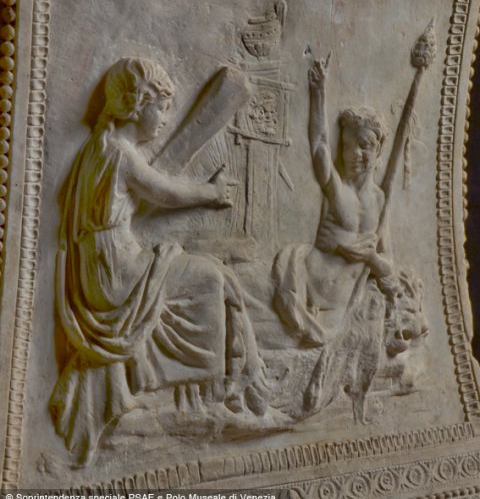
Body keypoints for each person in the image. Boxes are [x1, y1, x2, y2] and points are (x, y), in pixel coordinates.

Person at [51, 58, 267, 465]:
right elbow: (164, 191)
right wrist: (212, 192)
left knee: (211, 273)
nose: (166, 118)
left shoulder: (98, 147)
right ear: (137, 104)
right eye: (162, 107)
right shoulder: (121, 154)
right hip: (116, 273)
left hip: (102, 269)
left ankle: (219, 385)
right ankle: (202, 392)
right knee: (210, 278)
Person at [274, 56, 398, 348]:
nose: (354, 154)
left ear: (379, 150)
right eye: (346, 146)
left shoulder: (380, 200)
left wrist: (369, 257)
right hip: (308, 287)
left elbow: (388, 265)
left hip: (339, 306)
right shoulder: (336, 188)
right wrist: (318, 92)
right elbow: (319, 144)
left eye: (364, 146)